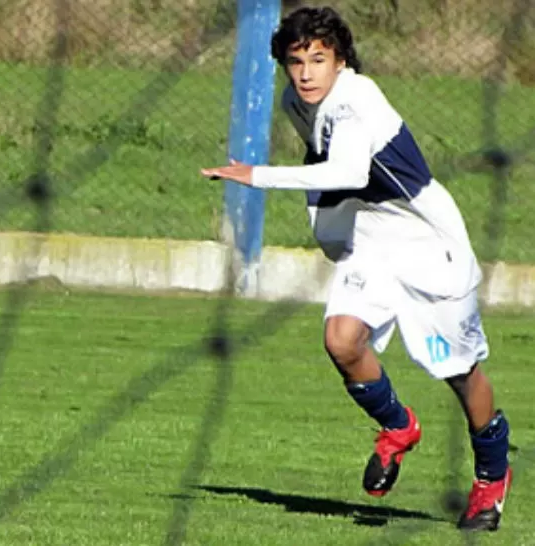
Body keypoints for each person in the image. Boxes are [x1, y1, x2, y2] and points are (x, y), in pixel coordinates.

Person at [201, 5, 512, 531]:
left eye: (318, 60)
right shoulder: (294, 102)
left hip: (427, 245)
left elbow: (347, 169)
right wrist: (329, 232)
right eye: (296, 61)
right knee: (342, 340)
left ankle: (491, 477)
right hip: (370, 241)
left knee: (460, 374)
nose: (305, 73)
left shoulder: (356, 101)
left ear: (341, 61)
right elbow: (319, 169)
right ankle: (399, 427)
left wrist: (255, 174)